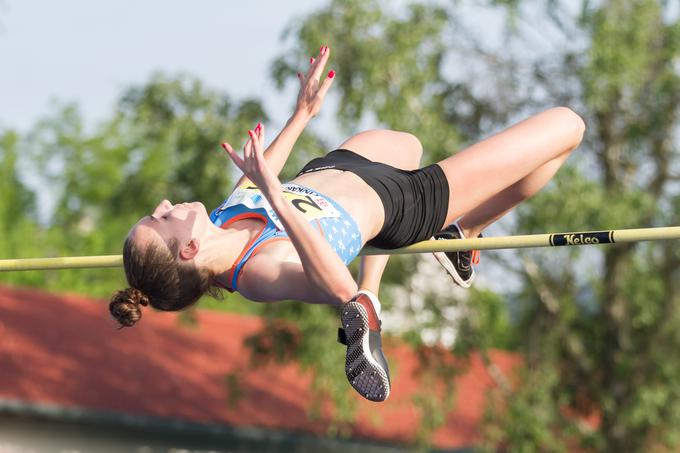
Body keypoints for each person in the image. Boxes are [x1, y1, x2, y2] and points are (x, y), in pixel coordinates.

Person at [109, 46, 585, 402]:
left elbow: (260, 176)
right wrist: (276, 194)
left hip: (343, 166)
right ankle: (461, 233)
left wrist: (303, 114)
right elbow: (334, 287)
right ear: (189, 249)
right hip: (403, 203)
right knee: (566, 126)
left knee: (407, 143)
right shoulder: (257, 274)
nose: (166, 202)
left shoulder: (218, 221)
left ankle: (438, 252)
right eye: (164, 218)